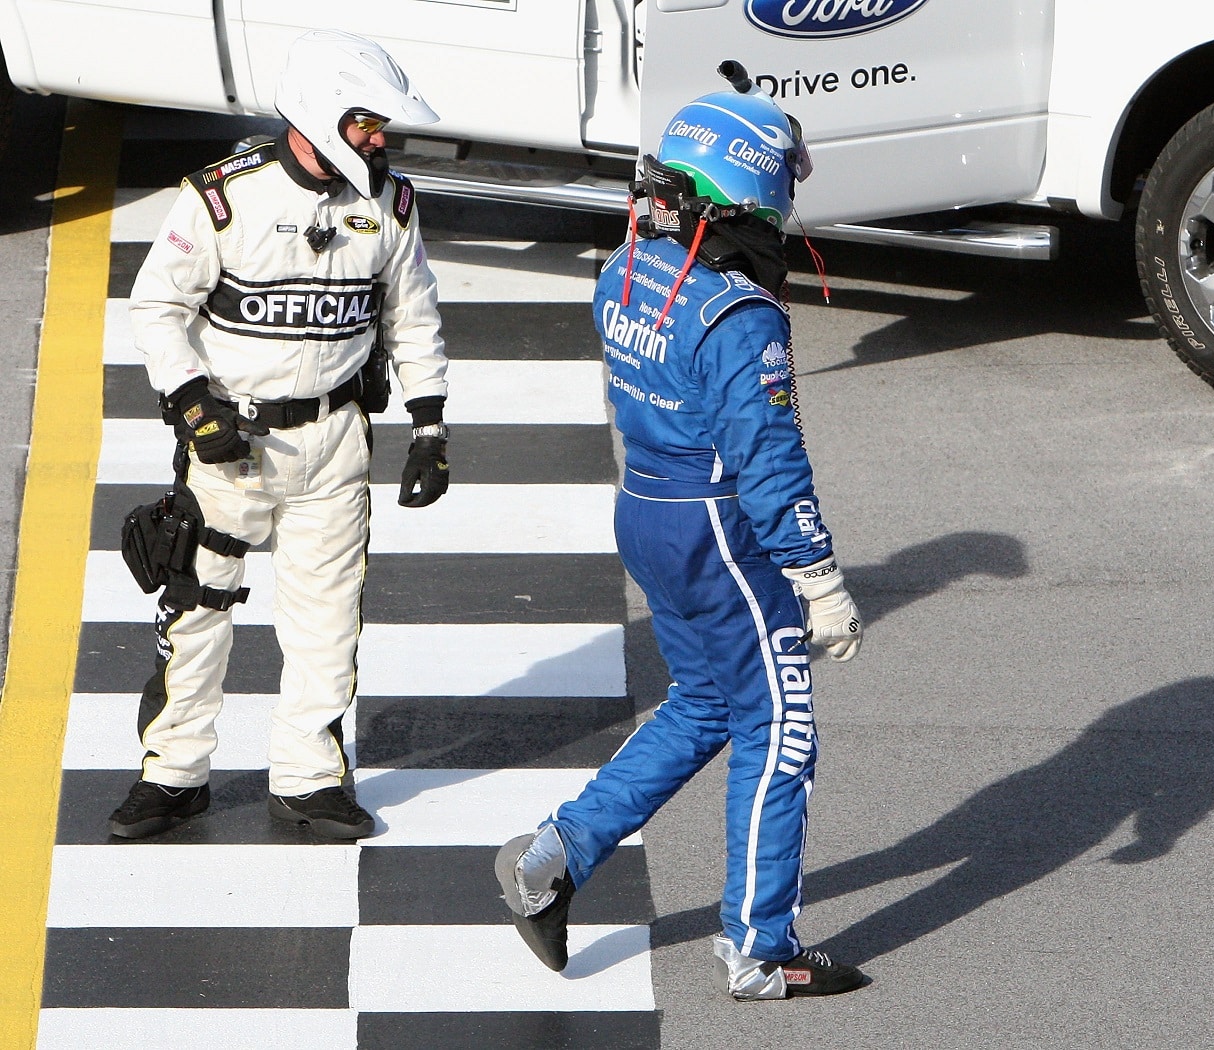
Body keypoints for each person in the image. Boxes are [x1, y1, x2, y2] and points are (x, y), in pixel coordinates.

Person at [495, 78, 868, 1000]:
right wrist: (817, 575)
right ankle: (758, 947)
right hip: (718, 527)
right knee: (779, 729)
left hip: (646, 506)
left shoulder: (622, 270)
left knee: (702, 705)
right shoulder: (740, 318)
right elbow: (770, 460)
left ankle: (553, 857)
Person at [108, 29, 451, 841]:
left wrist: (430, 424)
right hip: (231, 451)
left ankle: (307, 780)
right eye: (366, 121)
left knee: (329, 623)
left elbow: (414, 314)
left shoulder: (389, 204)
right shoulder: (223, 196)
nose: (379, 137)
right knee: (195, 608)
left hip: (334, 444)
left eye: (380, 125)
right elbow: (156, 306)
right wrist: (193, 403)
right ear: (320, 111)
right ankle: (174, 776)